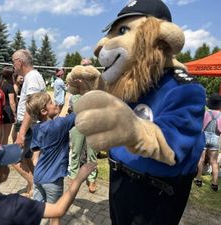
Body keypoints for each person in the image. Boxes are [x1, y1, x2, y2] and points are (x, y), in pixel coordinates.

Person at [68, 0, 206, 224]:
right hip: (120, 182)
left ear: (158, 38)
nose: (103, 45)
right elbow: (115, 106)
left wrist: (134, 129)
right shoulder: (131, 83)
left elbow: (173, 145)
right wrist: (95, 86)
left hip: (154, 194)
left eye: (124, 31)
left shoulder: (184, 87)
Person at [0, 141, 97, 225]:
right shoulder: (15, 205)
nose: (10, 163)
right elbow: (58, 209)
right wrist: (79, 178)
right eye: (5, 162)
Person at [26, 92, 75, 225]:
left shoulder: (36, 128)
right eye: (51, 103)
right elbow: (77, 115)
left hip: (38, 176)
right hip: (53, 179)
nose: (55, 104)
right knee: (55, 215)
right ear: (43, 111)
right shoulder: (59, 124)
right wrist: (67, 100)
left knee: (37, 212)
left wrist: (36, 160)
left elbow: (35, 148)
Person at [12, 49, 46, 196]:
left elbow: (31, 108)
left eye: (14, 62)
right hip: (31, 125)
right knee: (28, 157)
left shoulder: (32, 78)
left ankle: (33, 185)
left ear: (20, 62)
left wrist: (22, 132)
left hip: (28, 126)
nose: (13, 66)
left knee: (12, 157)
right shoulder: (34, 76)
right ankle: (34, 186)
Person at [68, 63, 99, 193]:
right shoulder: (74, 95)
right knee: (75, 152)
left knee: (92, 154)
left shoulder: (96, 92)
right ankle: (73, 177)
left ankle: (92, 179)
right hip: (77, 126)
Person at [195, 93, 221, 192]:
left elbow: (200, 126)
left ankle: (198, 179)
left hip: (204, 137)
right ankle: (214, 183)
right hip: (215, 138)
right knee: (214, 162)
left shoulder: (206, 113)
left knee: (201, 160)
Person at [0, 67, 17, 144]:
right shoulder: (9, 86)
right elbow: (12, 102)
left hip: (0, 110)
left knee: (0, 133)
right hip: (8, 111)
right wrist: (15, 114)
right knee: (6, 135)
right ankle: (3, 151)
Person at [11, 70, 24, 142]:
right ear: (16, 78)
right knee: (16, 127)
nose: (22, 80)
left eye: (23, 78)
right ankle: (14, 141)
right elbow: (14, 100)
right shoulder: (15, 87)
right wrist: (15, 112)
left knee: (16, 127)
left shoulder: (20, 86)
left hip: (19, 108)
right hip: (17, 109)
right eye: (20, 78)